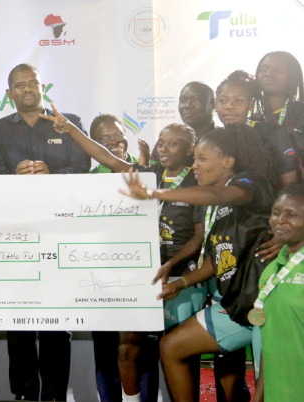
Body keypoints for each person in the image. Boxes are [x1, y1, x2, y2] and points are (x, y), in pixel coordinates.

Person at [45, 105, 204, 401]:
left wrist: (171, 264)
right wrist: (70, 129)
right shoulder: (150, 174)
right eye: (161, 143)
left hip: (181, 279)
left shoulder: (198, 182)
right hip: (143, 277)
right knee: (126, 348)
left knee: (179, 352)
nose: (164, 148)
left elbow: (199, 237)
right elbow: (107, 158)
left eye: (173, 143)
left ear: (190, 149)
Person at [119, 123, 276, 402]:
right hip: (235, 307)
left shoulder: (250, 182)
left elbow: (221, 194)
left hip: (268, 305)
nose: (195, 166)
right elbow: (216, 261)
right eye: (195, 159)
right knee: (171, 346)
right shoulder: (214, 204)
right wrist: (179, 283)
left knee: (269, 389)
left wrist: (155, 193)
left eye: (202, 159)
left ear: (227, 162)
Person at [0, 63, 89, 401]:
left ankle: (55, 395)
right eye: (19, 85)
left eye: (33, 83)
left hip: (60, 234)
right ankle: (24, 394)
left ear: (43, 87)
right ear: (9, 93)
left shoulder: (68, 122)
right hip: (15, 235)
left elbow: (83, 167)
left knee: (57, 323)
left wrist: (52, 175)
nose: (27, 89)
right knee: (18, 323)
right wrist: (14, 178)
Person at [254, 183, 304, 401]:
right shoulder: (272, 269)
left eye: (291, 215)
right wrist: (259, 396)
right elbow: (271, 340)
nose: (280, 220)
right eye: (276, 213)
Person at [252, 51, 304, 187]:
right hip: (262, 194)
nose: (268, 73)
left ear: (292, 76)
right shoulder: (250, 118)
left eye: (277, 70)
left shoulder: (301, 113)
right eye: (264, 69)